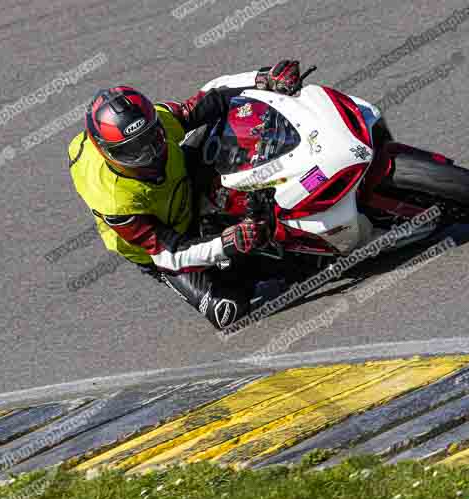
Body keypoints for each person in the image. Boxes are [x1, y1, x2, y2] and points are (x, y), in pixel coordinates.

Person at [68, 61, 302, 329]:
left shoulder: (160, 123)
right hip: (162, 244)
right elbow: (168, 253)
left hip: (182, 182)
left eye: (151, 138)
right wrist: (227, 244)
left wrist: (264, 78)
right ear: (106, 153)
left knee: (228, 122)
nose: (150, 155)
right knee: (228, 311)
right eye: (133, 152)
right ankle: (265, 256)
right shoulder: (115, 201)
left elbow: (211, 96)